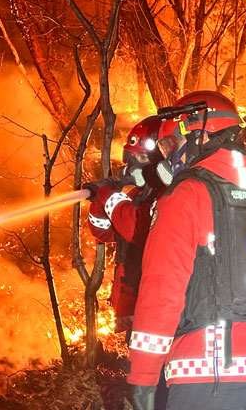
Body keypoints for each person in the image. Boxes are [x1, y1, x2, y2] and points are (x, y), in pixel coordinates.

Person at [127, 91, 246, 410]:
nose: (169, 157)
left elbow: (161, 293)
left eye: (171, 146)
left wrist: (142, 380)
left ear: (195, 134)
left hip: (208, 378)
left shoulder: (187, 196)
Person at [85, 114, 165, 333]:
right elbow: (103, 232)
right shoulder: (137, 194)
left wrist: (105, 193)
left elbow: (133, 228)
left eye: (140, 160)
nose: (131, 167)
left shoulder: (168, 194)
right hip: (134, 301)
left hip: (154, 304)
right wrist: (101, 201)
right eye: (131, 159)